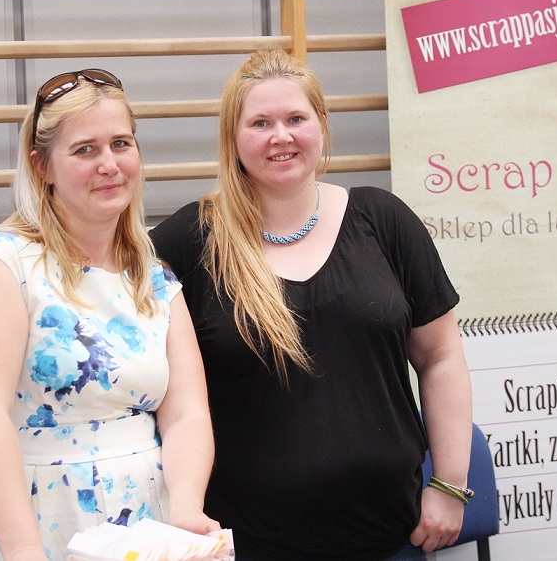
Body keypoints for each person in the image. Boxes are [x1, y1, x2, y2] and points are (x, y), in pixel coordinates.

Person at [149, 49, 473, 561]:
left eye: (296, 119)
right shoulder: (190, 240)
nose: (281, 136)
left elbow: (441, 356)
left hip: (391, 539)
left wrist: (450, 485)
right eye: (260, 123)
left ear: (321, 125)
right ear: (233, 138)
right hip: (246, 545)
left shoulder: (383, 220)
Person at [0, 69, 218, 561]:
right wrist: (24, 550)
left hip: (145, 521)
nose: (109, 164)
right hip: (38, 519)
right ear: (42, 166)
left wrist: (185, 507)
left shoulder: (155, 279)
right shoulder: (3, 264)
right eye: (84, 150)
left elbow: (186, 413)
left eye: (121, 144)